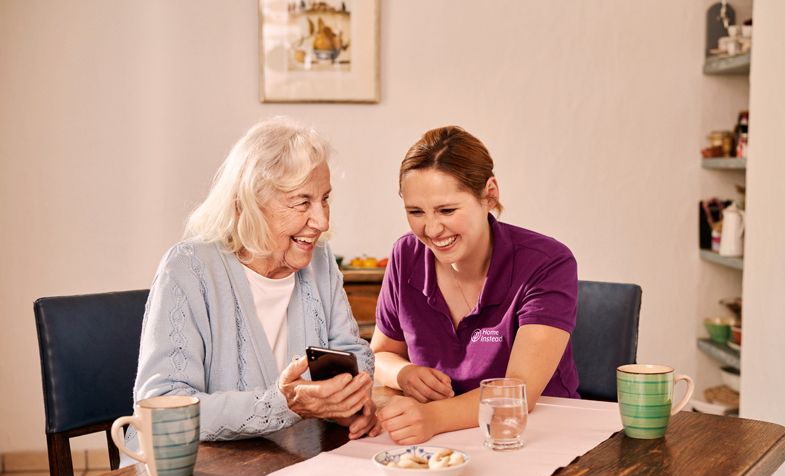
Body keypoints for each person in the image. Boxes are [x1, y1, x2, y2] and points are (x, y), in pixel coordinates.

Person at [130, 117, 379, 446]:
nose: (321, 221)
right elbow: (164, 409)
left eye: (325, 199)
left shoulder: (320, 261)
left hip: (292, 464)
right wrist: (284, 403)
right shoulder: (188, 269)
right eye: (302, 201)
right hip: (195, 472)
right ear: (249, 202)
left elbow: (349, 352)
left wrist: (346, 399)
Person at [372, 125, 578, 445]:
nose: (431, 228)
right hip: (439, 439)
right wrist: (404, 374)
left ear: (489, 194)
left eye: (447, 210)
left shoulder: (547, 262)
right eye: (415, 212)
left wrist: (432, 417)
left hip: (535, 436)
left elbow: (517, 391)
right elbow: (380, 355)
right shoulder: (405, 255)